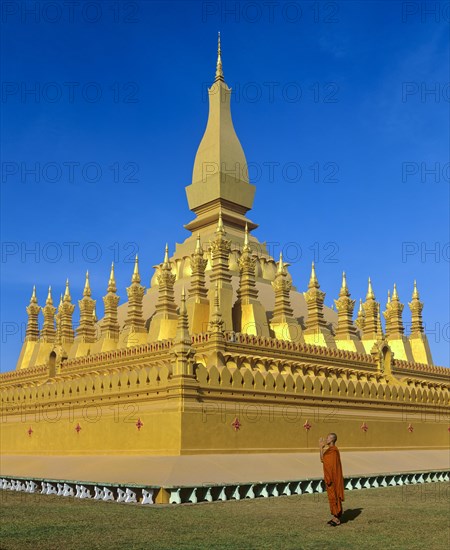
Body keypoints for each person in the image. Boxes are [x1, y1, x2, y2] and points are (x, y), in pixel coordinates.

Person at [319, 433, 345, 526]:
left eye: (328, 438)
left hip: (333, 478)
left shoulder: (334, 451)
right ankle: (335, 517)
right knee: (331, 497)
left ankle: (337, 519)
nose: (326, 439)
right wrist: (321, 448)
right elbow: (323, 459)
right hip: (330, 477)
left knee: (335, 496)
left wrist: (330, 476)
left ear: (332, 440)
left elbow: (333, 466)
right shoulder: (329, 451)